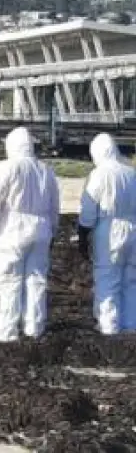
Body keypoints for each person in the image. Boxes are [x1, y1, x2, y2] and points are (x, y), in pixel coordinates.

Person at [0, 126, 60, 342]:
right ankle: (34, 327)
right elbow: (54, 205)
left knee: (10, 280)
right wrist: (53, 230)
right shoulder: (45, 169)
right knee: (36, 280)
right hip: (41, 228)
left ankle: (7, 332)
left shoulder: (8, 167)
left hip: (13, 229)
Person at [77, 132, 136, 335]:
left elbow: (88, 209)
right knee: (131, 280)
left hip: (109, 230)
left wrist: (83, 236)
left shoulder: (99, 174)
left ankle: (109, 327)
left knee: (107, 279)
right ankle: (130, 326)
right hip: (133, 228)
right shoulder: (131, 173)